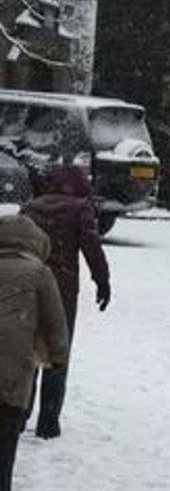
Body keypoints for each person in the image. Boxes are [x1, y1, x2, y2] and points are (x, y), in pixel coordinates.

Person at [19, 165, 110, 439]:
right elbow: (92, 247)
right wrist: (102, 281)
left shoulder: (30, 208)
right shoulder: (80, 208)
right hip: (62, 290)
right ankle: (48, 421)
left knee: (27, 352)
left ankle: (20, 414)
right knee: (58, 352)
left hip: (30, 285)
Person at [0, 215, 70, 491]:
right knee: (4, 443)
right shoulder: (39, 273)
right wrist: (58, 359)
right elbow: (56, 323)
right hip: (13, 369)